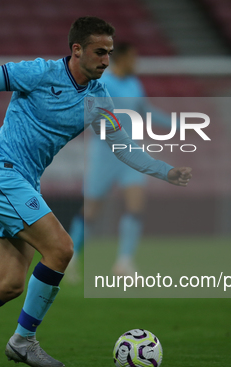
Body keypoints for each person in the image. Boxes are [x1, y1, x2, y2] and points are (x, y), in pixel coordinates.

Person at [0, 16, 192, 367]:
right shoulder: (37, 73)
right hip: (2, 174)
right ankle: (24, 340)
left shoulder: (98, 99)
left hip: (21, 184)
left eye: (110, 53)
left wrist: (165, 171)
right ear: (77, 50)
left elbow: (124, 148)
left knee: (9, 284)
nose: (106, 61)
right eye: (99, 52)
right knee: (61, 249)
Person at [67, 42, 175, 281]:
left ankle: (124, 261)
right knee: (91, 210)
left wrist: (174, 123)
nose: (136, 63)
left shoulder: (134, 84)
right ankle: (69, 258)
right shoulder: (103, 84)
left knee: (136, 205)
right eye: (133, 58)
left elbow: (144, 110)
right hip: (105, 154)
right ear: (122, 59)